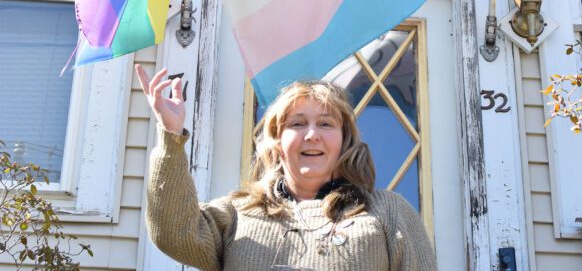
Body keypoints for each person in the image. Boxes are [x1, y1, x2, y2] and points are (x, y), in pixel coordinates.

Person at [136, 65, 436, 271]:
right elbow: (174, 233)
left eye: (326, 123)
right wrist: (171, 136)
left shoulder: (389, 211)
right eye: (297, 124)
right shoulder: (237, 212)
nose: (311, 134)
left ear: (344, 141)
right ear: (277, 142)